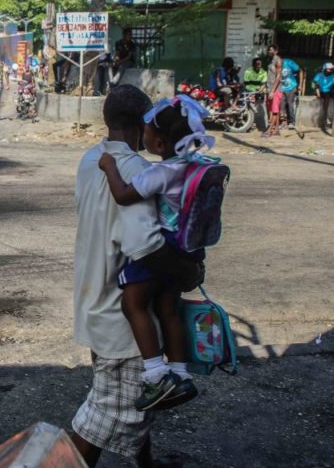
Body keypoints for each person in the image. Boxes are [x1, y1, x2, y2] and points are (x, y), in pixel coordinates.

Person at [72, 85, 204, 467]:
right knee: (108, 415)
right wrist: (190, 270)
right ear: (140, 126)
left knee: (134, 402)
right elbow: (145, 245)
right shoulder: (140, 172)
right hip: (122, 316)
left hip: (94, 302)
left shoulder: (90, 159)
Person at [98, 95, 217, 411]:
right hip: (187, 249)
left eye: (147, 131)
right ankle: (180, 374)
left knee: (132, 302)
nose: (143, 134)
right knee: (168, 308)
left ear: (161, 142)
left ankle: (155, 375)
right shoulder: (193, 165)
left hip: (162, 248)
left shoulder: (161, 172)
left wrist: (110, 165)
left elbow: (123, 196)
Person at [263, 44, 284, 138]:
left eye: (271, 50)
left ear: (276, 51)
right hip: (270, 88)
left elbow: (278, 77)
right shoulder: (270, 61)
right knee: (271, 109)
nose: (269, 52)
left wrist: (272, 91)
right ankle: (277, 130)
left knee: (274, 111)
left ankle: (269, 130)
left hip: (276, 90)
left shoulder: (278, 61)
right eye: (268, 50)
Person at [311, 62, 334, 130]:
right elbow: (315, 85)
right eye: (329, 69)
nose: (331, 71)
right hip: (320, 91)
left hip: (328, 92)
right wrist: (318, 94)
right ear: (325, 69)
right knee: (326, 99)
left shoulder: (332, 76)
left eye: (331, 69)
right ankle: (325, 120)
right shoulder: (319, 75)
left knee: (333, 97)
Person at [280, 56, 302, 130]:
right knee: (282, 105)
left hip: (291, 86)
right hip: (281, 88)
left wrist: (300, 85)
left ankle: (291, 122)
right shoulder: (275, 64)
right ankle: (283, 122)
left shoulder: (288, 62)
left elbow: (299, 70)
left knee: (290, 104)